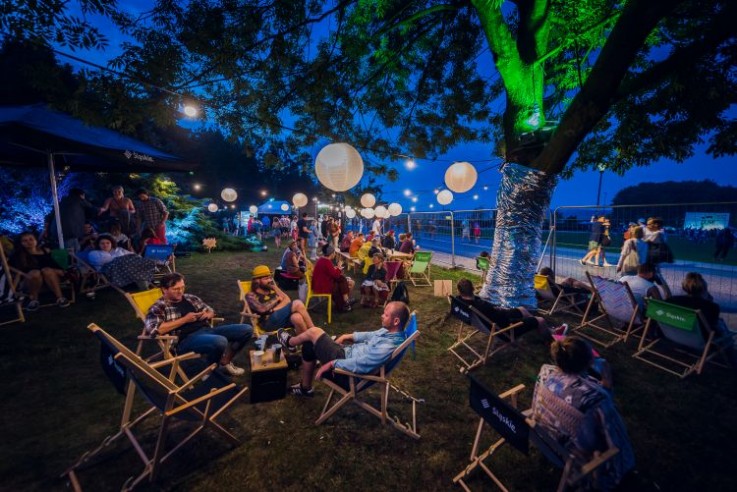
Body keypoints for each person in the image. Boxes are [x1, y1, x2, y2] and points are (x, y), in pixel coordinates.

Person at [533, 337, 635, 491]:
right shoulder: (595, 398)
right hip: (573, 455)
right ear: (588, 363)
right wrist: (607, 384)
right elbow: (616, 440)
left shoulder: (546, 372)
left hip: (545, 437)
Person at [277, 301, 410, 397]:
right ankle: (305, 388)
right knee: (309, 343)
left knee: (314, 332)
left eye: (386, 315)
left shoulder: (388, 346)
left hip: (347, 374)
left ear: (396, 321)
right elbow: (370, 335)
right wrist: (348, 336)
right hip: (348, 353)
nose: (382, 316)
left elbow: (362, 364)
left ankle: (290, 342)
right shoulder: (390, 332)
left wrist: (331, 364)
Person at [144, 273, 253, 376]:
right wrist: (184, 320)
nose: (180, 291)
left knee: (246, 329)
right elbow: (155, 330)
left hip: (207, 331)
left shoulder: (190, 298)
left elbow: (210, 311)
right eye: (176, 289)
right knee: (220, 341)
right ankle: (211, 373)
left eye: (182, 287)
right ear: (164, 289)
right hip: (185, 340)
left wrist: (208, 314)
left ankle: (225, 363)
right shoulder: (158, 307)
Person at [668, 272, 737, 368]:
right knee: (723, 329)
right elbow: (714, 328)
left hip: (673, 334)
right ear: (703, 289)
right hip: (699, 341)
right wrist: (709, 301)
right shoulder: (711, 307)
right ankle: (733, 364)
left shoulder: (672, 300)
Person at [457, 278, 564, 337]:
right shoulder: (482, 306)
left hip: (492, 321)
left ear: (460, 291)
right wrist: (501, 310)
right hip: (505, 329)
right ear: (472, 288)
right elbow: (501, 316)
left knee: (522, 309)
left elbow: (495, 312)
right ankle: (551, 336)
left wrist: (501, 310)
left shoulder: (461, 302)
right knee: (540, 320)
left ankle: (545, 328)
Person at [245, 265, 316, 333]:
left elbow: (287, 300)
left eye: (270, 277)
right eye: (266, 279)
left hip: (279, 318)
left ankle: (304, 340)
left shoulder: (272, 288)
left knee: (297, 317)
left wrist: (273, 309)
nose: (270, 280)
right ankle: (314, 331)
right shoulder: (251, 295)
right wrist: (276, 299)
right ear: (257, 281)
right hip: (268, 322)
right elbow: (262, 309)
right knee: (298, 304)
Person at [10, 232, 70, 310]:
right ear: (21, 243)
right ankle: (34, 300)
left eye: (31, 239)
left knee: (47, 270)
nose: (29, 242)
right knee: (35, 273)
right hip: (30, 280)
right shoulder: (19, 255)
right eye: (25, 241)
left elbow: (54, 265)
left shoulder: (45, 251)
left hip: (50, 277)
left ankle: (60, 297)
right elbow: (14, 269)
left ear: (36, 240)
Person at [87, 234, 155, 291]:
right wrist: (123, 258)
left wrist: (130, 258)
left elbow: (132, 255)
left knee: (134, 259)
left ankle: (144, 283)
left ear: (111, 243)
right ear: (98, 245)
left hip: (127, 270)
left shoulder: (119, 249)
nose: (105, 245)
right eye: (102, 243)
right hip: (109, 272)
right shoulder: (94, 253)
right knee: (122, 261)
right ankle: (146, 279)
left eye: (108, 243)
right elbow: (105, 261)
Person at [45, 188, 98, 252]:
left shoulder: (61, 203)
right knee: (71, 253)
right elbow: (94, 209)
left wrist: (46, 230)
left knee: (64, 250)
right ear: (81, 195)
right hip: (69, 233)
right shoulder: (79, 200)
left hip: (56, 232)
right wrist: (102, 209)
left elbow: (49, 216)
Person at [313, 244, 355, 312]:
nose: (335, 254)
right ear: (331, 253)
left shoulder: (322, 260)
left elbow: (329, 272)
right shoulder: (327, 262)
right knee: (342, 279)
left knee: (342, 280)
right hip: (323, 286)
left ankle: (345, 303)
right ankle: (345, 302)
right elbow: (336, 275)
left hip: (320, 283)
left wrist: (336, 269)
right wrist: (339, 267)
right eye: (334, 252)